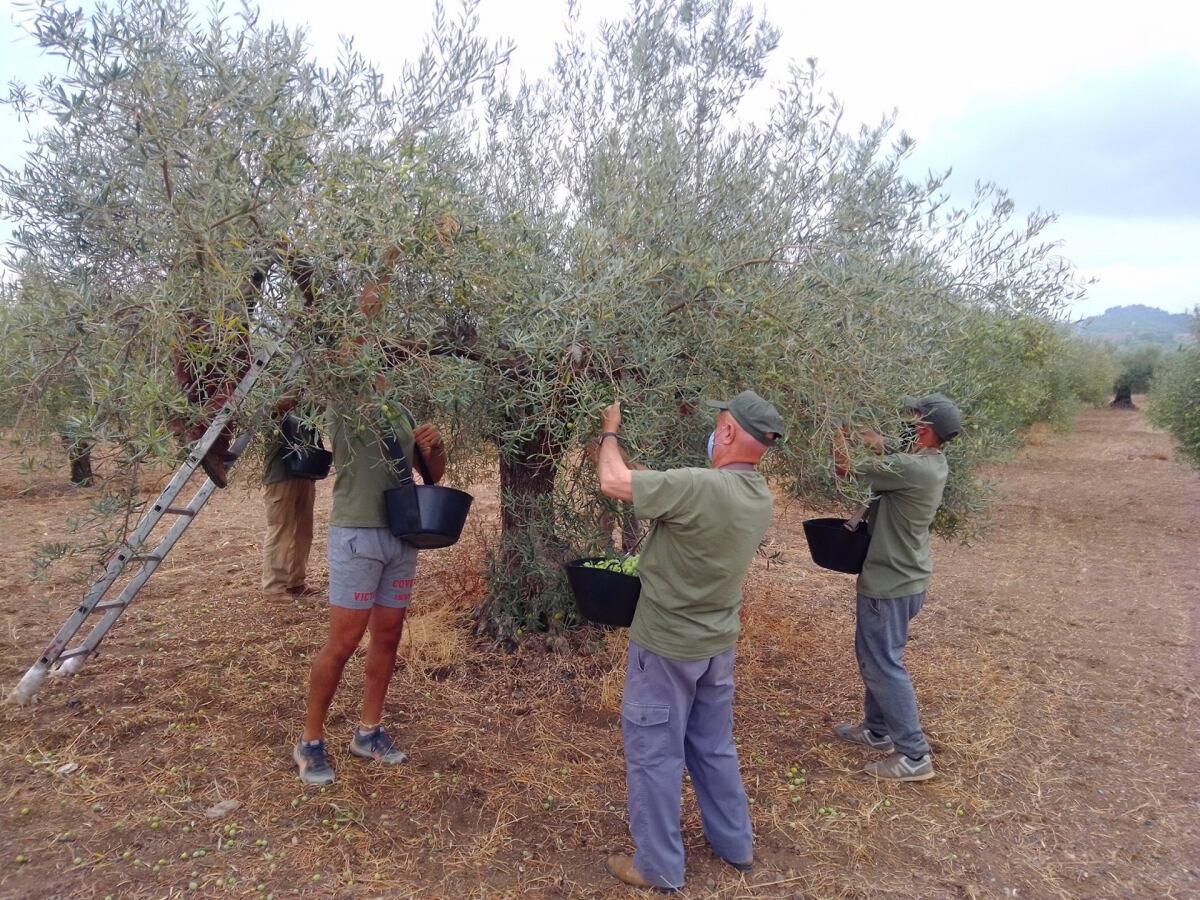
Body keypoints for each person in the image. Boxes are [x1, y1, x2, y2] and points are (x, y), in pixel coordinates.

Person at [595, 390, 785, 892]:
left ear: (725, 432)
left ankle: (657, 866)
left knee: (655, 753)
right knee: (713, 745)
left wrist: (610, 428)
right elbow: (665, 497)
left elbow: (612, 480)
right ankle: (734, 844)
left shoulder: (700, 487)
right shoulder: (756, 495)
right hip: (717, 644)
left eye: (717, 424)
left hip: (666, 648)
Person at [292, 270, 447, 786]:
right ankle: (310, 741)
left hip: (402, 535)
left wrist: (434, 446)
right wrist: (388, 260)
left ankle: (368, 731)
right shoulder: (345, 398)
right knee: (343, 639)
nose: (384, 358)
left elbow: (434, 476)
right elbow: (357, 326)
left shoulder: (401, 409)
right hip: (356, 532)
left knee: (387, 635)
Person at [831, 392, 962, 782]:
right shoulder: (929, 463)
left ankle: (914, 756)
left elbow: (844, 468)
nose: (905, 423)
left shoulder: (909, 467)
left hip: (890, 583)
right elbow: (885, 446)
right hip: (909, 579)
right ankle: (876, 731)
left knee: (882, 664)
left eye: (912, 419)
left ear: (922, 430)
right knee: (881, 656)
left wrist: (833, 428)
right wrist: (862, 430)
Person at [260, 407, 318, 602]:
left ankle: (296, 582)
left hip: (305, 472)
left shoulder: (305, 404)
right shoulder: (271, 402)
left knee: (303, 530)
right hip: (280, 476)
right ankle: (274, 588)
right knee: (280, 529)